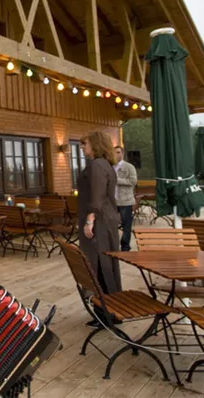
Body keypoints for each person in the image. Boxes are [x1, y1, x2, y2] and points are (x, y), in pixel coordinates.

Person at [78, 131, 122, 328]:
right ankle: (108, 311)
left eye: (84, 144)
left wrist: (90, 219)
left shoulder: (97, 165)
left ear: (95, 145)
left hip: (100, 221)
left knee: (99, 265)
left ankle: (107, 314)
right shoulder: (107, 165)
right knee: (106, 265)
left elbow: (97, 196)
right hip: (106, 219)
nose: (82, 147)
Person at [114, 145, 138, 251]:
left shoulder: (129, 167)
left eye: (118, 152)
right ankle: (113, 245)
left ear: (122, 153)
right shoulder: (110, 166)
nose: (116, 154)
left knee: (126, 225)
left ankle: (125, 246)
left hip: (126, 201)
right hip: (112, 201)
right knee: (111, 224)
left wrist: (117, 180)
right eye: (114, 152)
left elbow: (133, 181)